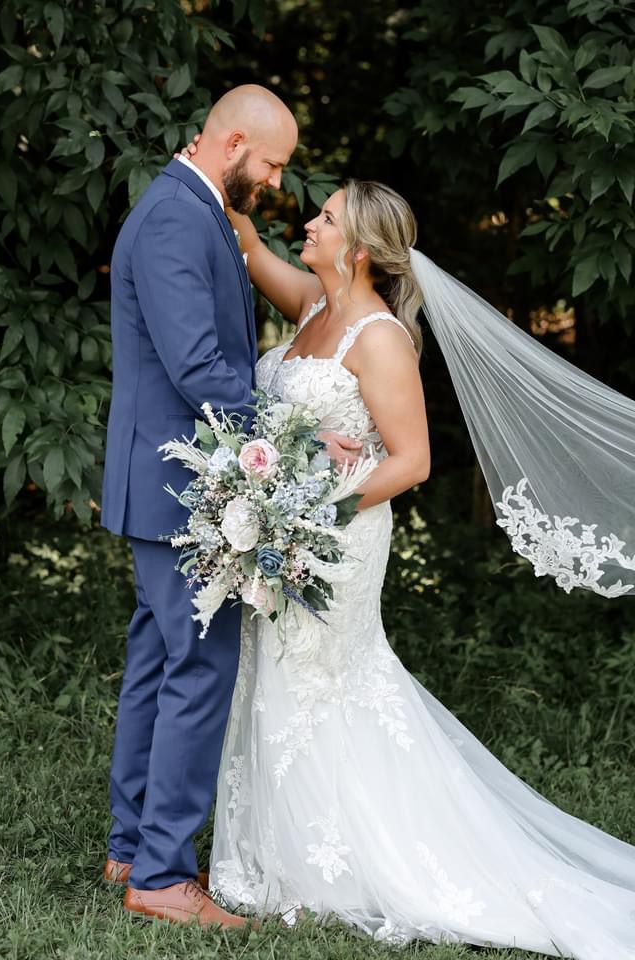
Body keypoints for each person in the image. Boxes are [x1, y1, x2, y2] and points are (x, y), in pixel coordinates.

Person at [180, 135, 635, 956]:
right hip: (288, 532)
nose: (307, 224)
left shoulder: (379, 338)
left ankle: (331, 864)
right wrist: (220, 176)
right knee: (270, 678)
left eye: (322, 219)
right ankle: (265, 858)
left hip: (338, 538)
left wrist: (309, 501)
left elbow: (413, 461)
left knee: (319, 685)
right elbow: (249, 247)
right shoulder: (314, 308)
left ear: (355, 251)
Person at [100, 83, 363, 929]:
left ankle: (131, 846)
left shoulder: (194, 205)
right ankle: (164, 875)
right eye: (275, 163)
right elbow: (201, 371)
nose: (280, 183)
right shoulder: (179, 216)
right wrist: (301, 434)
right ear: (234, 141)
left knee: (158, 658)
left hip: (165, 484)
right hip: (175, 488)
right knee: (199, 666)